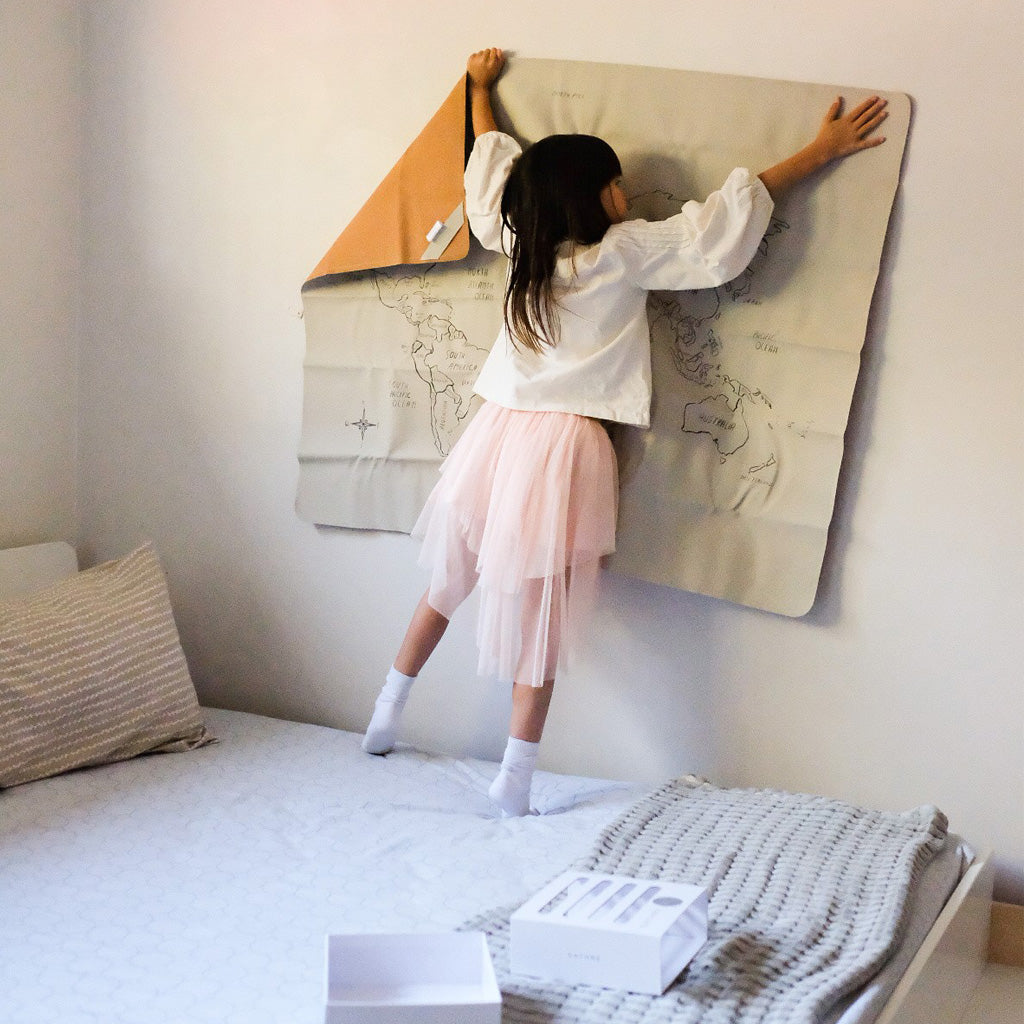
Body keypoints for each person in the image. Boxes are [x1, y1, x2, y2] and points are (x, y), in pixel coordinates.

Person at [363, 48, 887, 816]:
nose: (626, 192)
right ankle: (514, 776)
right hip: (566, 444)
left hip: (497, 432)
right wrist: (818, 152)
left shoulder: (521, 241)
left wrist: (479, 91)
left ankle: (386, 710)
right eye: (614, 184)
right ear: (591, 197)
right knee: (540, 612)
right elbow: (715, 231)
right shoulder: (625, 251)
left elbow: (490, 180)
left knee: (447, 581)